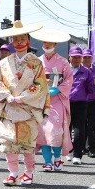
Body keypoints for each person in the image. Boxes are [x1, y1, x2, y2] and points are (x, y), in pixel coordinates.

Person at [0, 21, 48, 186]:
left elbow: (41, 85)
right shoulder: (4, 63)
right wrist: (7, 96)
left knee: (27, 142)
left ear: (28, 40)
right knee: (8, 142)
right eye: (15, 39)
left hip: (27, 107)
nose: (19, 42)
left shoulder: (36, 63)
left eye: (22, 39)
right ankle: (13, 172)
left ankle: (28, 172)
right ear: (11, 42)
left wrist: (22, 97)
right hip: (9, 106)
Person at [30, 28, 73, 171]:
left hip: (57, 100)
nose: (47, 45)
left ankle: (57, 159)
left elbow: (69, 79)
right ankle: (47, 161)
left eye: (50, 43)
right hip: (41, 100)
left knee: (55, 131)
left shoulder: (63, 62)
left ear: (55, 44)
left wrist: (59, 89)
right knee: (42, 131)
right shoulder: (37, 61)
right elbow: (31, 79)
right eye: (45, 42)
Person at [67, 46, 95, 165]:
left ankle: (77, 155)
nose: (76, 59)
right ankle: (68, 151)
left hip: (81, 103)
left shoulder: (86, 72)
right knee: (65, 129)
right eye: (74, 57)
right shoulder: (64, 70)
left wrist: (94, 85)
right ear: (69, 57)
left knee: (79, 130)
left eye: (79, 57)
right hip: (65, 102)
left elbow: (91, 89)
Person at [82, 49, 95, 157]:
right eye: (85, 57)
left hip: (93, 100)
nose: (87, 59)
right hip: (81, 100)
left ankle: (92, 148)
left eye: (89, 57)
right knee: (82, 125)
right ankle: (82, 147)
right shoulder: (78, 70)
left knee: (92, 125)